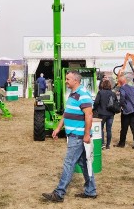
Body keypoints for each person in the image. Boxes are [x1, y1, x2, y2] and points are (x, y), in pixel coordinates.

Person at [41, 70, 97, 201]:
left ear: (76, 81)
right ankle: (91, 191)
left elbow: (89, 115)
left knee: (69, 163)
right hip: (74, 135)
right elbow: (66, 113)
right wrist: (58, 128)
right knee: (84, 164)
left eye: (68, 79)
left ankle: (59, 193)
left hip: (78, 136)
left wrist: (87, 134)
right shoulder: (72, 94)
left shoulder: (83, 94)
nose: (66, 81)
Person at [115, 72, 134, 149]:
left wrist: (120, 105)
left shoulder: (122, 89)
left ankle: (122, 143)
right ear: (125, 80)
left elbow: (122, 98)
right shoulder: (133, 88)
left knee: (124, 128)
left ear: (120, 82)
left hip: (126, 111)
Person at [93, 78, 117, 149]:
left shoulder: (100, 92)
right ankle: (108, 145)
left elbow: (96, 102)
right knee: (109, 129)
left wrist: (95, 109)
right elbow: (115, 103)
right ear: (110, 85)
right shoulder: (113, 93)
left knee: (101, 129)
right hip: (110, 114)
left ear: (103, 85)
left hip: (101, 114)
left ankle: (102, 144)